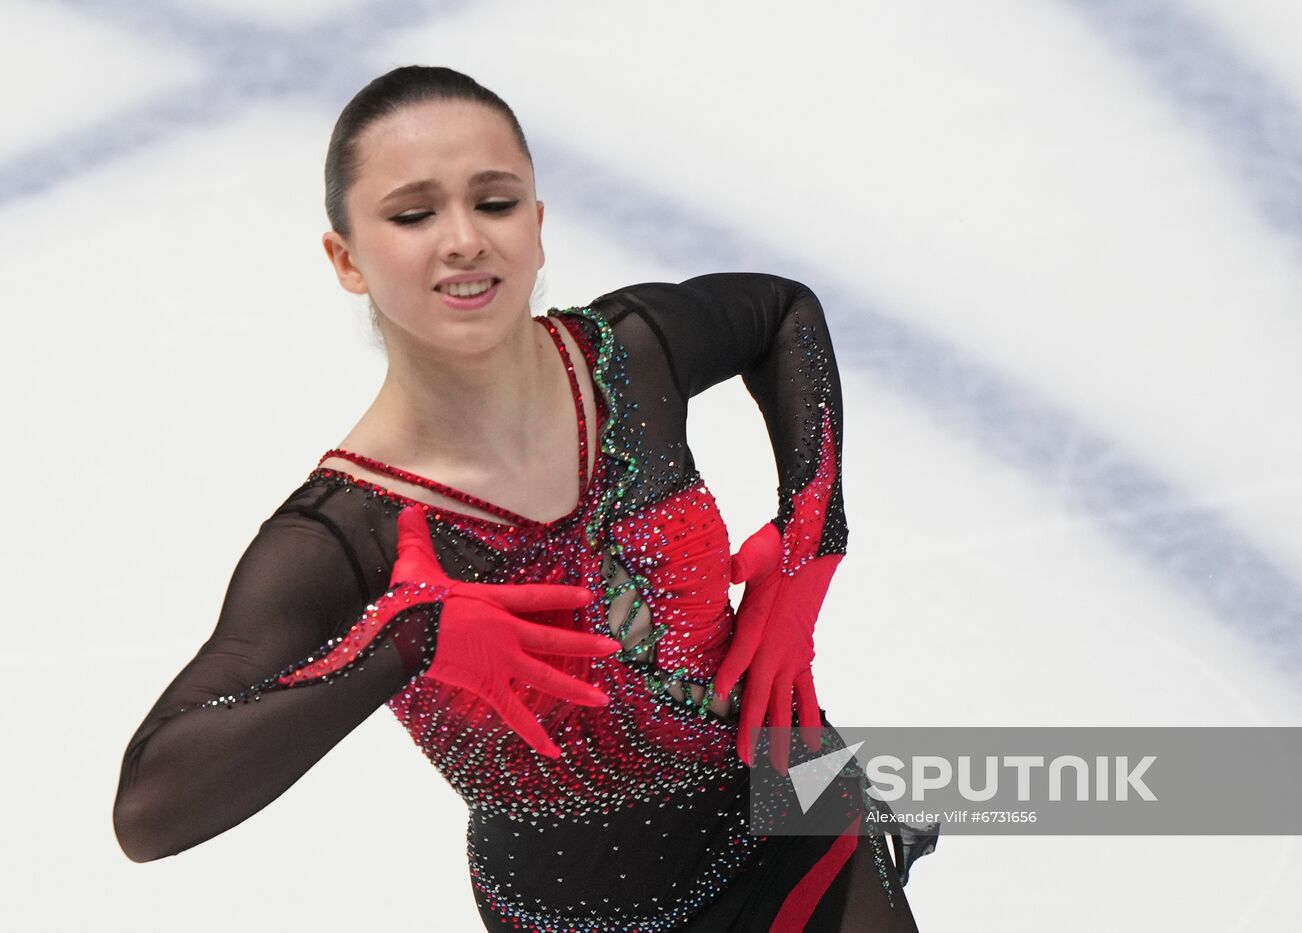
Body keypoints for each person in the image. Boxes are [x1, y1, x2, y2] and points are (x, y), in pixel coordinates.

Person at [112, 64, 932, 931]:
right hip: (572, 916)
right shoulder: (347, 534)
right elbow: (150, 809)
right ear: (346, 257)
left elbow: (782, 314)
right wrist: (406, 640)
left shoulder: (627, 358)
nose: (463, 239)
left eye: (495, 202)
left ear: (537, 227)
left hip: (796, 818)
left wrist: (812, 539)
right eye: (414, 213)